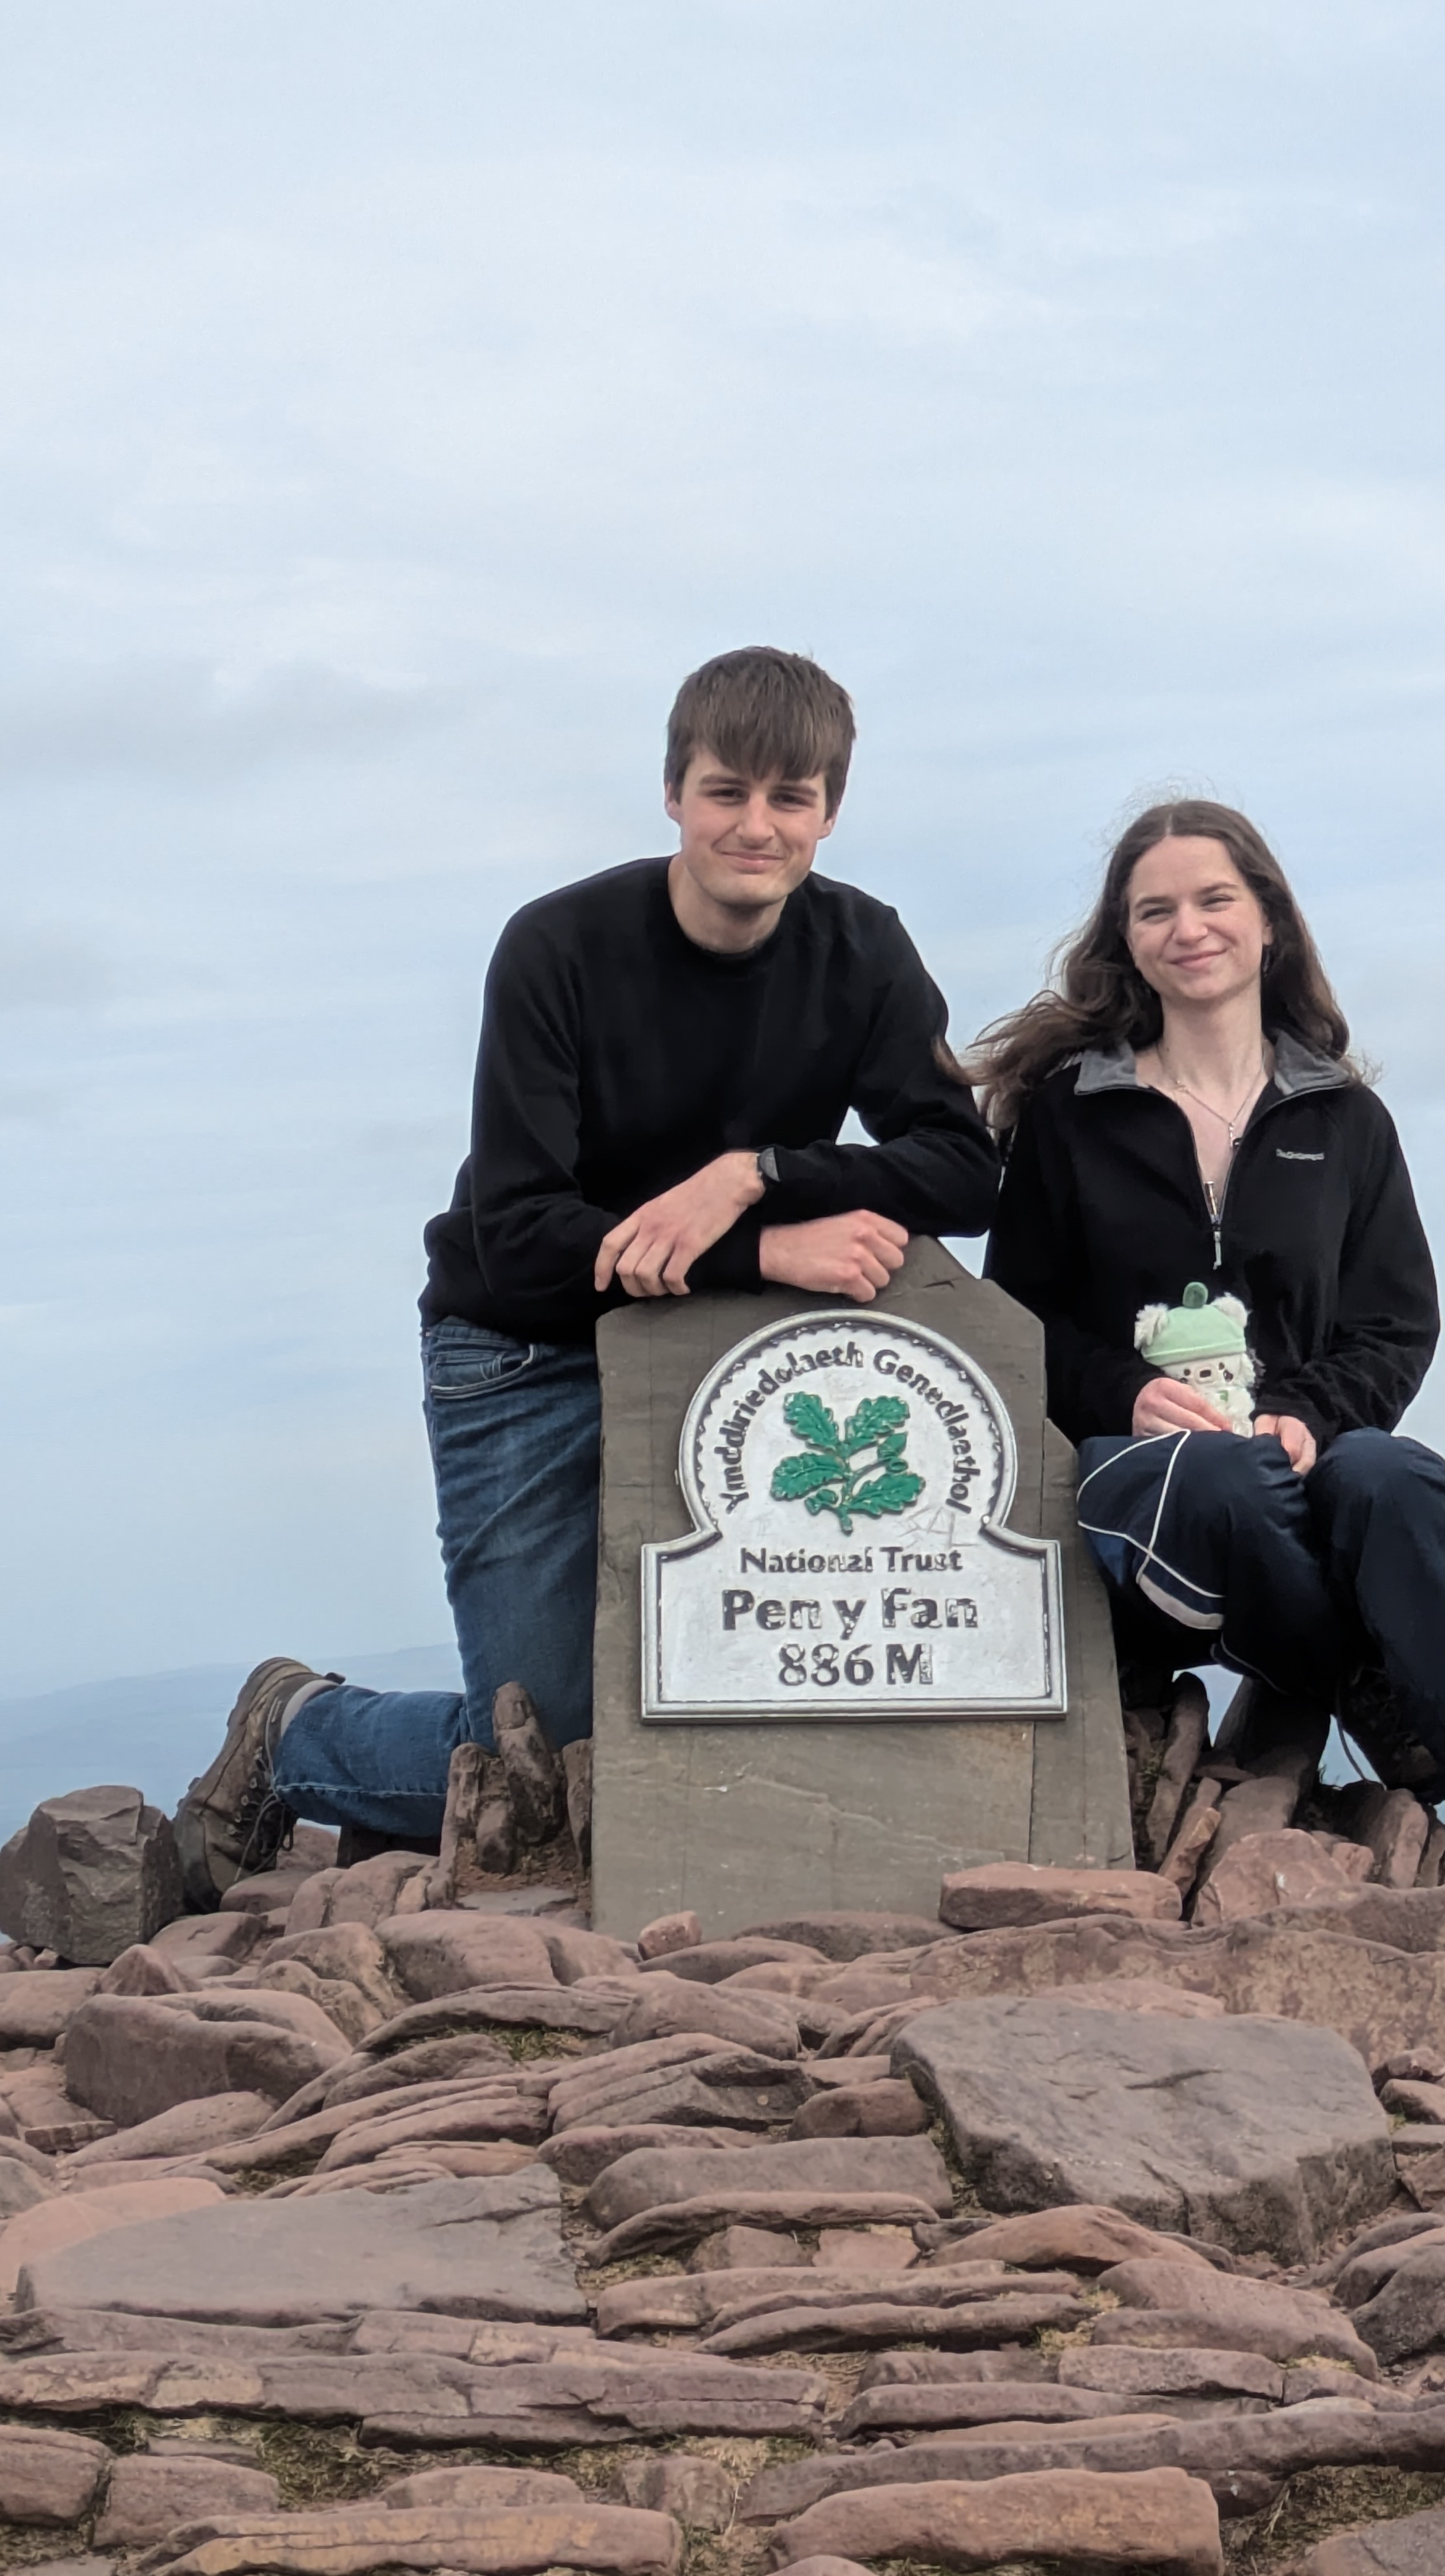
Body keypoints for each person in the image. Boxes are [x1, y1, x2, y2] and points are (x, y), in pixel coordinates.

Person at [172, 648, 998, 1904]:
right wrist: (764, 1247)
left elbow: (964, 1171)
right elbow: (517, 1230)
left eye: (791, 799)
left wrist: (758, 1172)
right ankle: (297, 1733)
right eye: (727, 792)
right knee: (547, 1759)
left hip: (723, 1352)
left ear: (831, 810)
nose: (757, 827)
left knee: (732, 1695)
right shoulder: (557, 947)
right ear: (673, 790)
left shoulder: (863, 949)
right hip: (526, 1347)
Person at [976, 796, 1445, 1927]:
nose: (1190, 928)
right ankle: (1391, 1681)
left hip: (1307, 1469)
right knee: (1220, 1478)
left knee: (1396, 1477)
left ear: (1268, 918)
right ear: (1127, 941)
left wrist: (1313, 1412)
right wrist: (1126, 1391)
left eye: (1216, 899)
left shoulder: (1347, 1118)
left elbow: (1396, 1325)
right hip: (1142, 1487)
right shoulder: (1070, 1118)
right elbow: (1016, 1321)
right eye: (1156, 910)